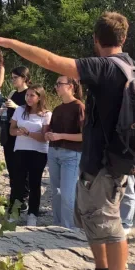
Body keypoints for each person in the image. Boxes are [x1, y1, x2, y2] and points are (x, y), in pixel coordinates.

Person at [0, 11, 135, 270]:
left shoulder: (106, 67)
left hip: (107, 163)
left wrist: (12, 43)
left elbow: (52, 61)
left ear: (96, 41)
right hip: (99, 159)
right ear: (124, 37)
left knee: (111, 227)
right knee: (93, 219)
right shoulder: (132, 65)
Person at [45, 76, 84, 230]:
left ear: (71, 86)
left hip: (71, 155)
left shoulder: (79, 107)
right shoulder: (58, 108)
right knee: (56, 192)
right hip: (54, 152)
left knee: (68, 194)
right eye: (56, 84)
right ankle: (57, 226)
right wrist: (49, 133)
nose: (56, 87)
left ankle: (69, 229)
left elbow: (84, 136)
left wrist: (60, 136)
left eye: (59, 84)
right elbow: (51, 128)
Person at [9, 86, 51, 226]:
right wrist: (18, 132)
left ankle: (32, 214)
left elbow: (44, 137)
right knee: (18, 183)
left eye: (32, 95)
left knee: (34, 183)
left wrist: (28, 134)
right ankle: (14, 212)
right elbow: (11, 130)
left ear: (39, 97)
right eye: (27, 95)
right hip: (20, 149)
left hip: (38, 152)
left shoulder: (46, 114)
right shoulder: (19, 110)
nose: (28, 98)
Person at [1, 67, 30, 214]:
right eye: (11, 77)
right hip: (9, 134)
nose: (12, 80)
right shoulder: (12, 93)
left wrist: (16, 107)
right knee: (11, 169)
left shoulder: (29, 94)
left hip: (22, 136)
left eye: (15, 77)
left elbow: (33, 114)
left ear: (24, 78)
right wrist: (4, 109)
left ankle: (22, 199)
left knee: (21, 169)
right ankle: (13, 198)